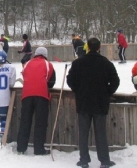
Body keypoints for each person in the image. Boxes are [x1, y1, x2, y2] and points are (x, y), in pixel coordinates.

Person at [67, 38, 120, 168]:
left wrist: (78, 91)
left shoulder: (78, 63)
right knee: (101, 133)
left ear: (87, 47)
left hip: (84, 101)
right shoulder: (106, 63)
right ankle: (104, 160)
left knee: (83, 133)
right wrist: (107, 92)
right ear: (99, 47)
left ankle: (84, 160)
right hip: (100, 102)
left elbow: (70, 80)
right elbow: (115, 81)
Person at [16, 47, 56, 155]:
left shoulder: (28, 63)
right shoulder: (48, 64)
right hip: (42, 95)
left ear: (35, 54)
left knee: (25, 120)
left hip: (27, 95)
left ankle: (21, 147)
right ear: (45, 55)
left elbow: (24, 75)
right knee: (40, 122)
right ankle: (39, 149)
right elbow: (52, 82)